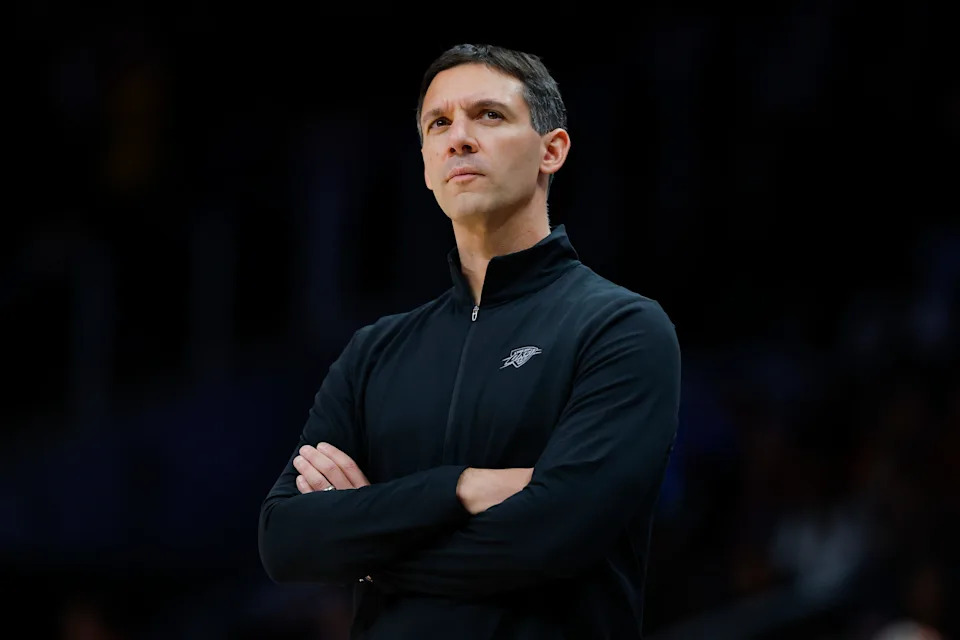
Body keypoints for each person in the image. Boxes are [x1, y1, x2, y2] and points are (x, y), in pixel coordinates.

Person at [258, 42, 681, 639]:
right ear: (427, 164)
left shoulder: (622, 328)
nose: (459, 137)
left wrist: (370, 550)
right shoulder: (374, 352)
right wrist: (461, 487)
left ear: (551, 150)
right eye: (439, 123)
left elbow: (551, 536)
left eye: (489, 115)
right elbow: (285, 539)